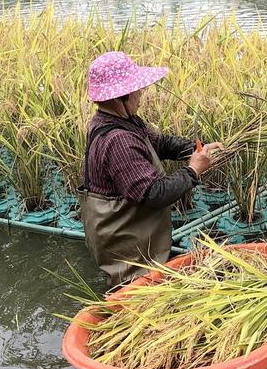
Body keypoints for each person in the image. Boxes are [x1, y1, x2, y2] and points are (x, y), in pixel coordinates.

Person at [79, 51, 222, 286]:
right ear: (120, 97)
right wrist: (193, 171)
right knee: (137, 292)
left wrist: (198, 149)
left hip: (132, 240)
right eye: (136, 89)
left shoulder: (117, 121)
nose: (141, 94)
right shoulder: (119, 141)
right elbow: (153, 193)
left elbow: (160, 143)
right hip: (130, 250)